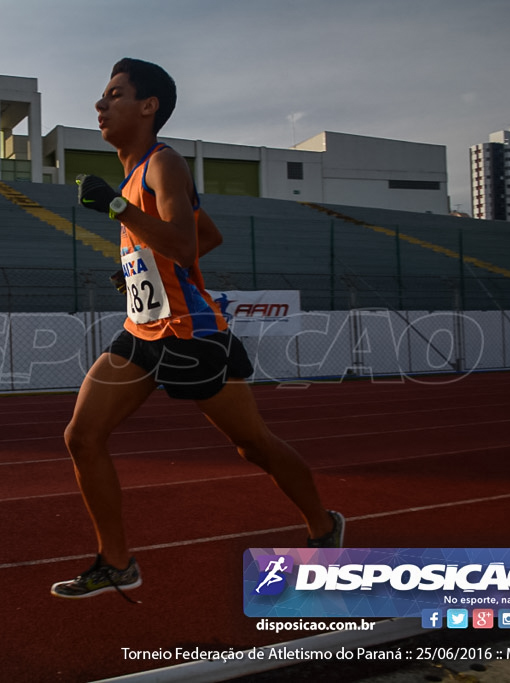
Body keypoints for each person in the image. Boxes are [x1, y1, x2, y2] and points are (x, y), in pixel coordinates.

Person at [50, 58, 343, 602]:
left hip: (192, 333)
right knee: (81, 437)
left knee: (252, 445)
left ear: (148, 106)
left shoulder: (164, 166)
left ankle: (323, 526)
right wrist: (135, 265)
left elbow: (184, 245)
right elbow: (205, 235)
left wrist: (115, 208)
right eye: (102, 95)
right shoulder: (137, 173)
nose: (100, 104)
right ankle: (117, 564)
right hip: (142, 330)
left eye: (114, 93)